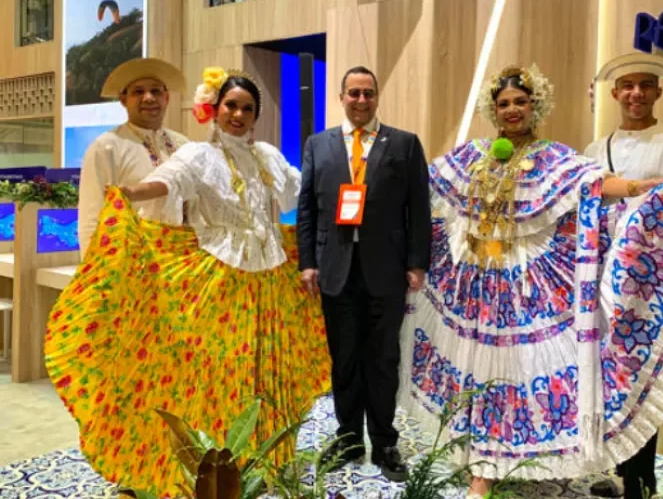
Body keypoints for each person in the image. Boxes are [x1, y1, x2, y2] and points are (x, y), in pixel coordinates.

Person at [397, 64, 663, 499]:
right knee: (474, 374)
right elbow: (428, 183)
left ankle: (504, 463)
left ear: (536, 106)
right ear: (492, 110)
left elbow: (591, 184)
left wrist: (632, 188)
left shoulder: (554, 156)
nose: (513, 109)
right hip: (476, 284)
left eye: (521, 102)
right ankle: (479, 468)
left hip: (526, 288)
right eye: (504, 104)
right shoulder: (473, 154)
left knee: (514, 376)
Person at [44, 67, 332, 497]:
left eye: (247, 108)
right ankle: (213, 464)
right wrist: (128, 195)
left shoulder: (267, 154)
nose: (238, 114)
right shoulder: (196, 155)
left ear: (255, 115)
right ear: (214, 109)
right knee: (220, 369)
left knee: (265, 367)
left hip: (269, 280)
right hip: (217, 277)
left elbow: (298, 189)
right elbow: (167, 182)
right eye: (231, 105)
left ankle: (264, 458)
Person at [584, 52, 663, 499]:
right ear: (616, 93)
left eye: (645, 85)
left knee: (644, 372)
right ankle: (617, 469)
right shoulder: (594, 149)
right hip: (603, 277)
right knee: (607, 374)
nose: (636, 93)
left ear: (658, 91)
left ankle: (641, 477)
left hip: (652, 280)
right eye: (628, 86)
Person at [296, 65, 431, 482]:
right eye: (353, 93)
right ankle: (349, 438)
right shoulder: (318, 145)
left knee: (383, 359)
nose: (360, 100)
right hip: (335, 270)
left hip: (385, 271)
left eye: (368, 93)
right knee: (345, 359)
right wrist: (307, 262)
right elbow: (307, 209)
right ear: (341, 97)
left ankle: (386, 442)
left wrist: (416, 262)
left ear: (376, 97)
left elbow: (419, 210)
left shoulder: (404, 144)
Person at [77, 57, 190, 257]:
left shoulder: (183, 145)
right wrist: (95, 272)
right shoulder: (106, 147)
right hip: (131, 263)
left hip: (179, 262)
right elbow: (90, 217)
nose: (148, 98)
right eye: (138, 91)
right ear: (123, 100)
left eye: (156, 91)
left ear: (167, 98)